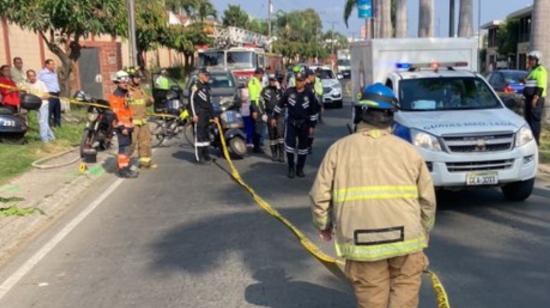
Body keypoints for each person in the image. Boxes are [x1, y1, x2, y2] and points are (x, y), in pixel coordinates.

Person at [310, 83, 437, 308]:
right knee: (404, 296)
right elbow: (427, 200)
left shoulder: (339, 150)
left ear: (361, 112)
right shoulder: (408, 151)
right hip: (406, 241)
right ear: (391, 116)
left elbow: (320, 196)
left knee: (371, 300)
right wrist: (423, 231)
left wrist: (324, 225)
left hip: (362, 243)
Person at [272, 72, 319, 178]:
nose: (299, 83)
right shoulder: (289, 92)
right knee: (290, 147)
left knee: (303, 148)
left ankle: (300, 168)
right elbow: (280, 104)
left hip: (305, 124)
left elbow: (313, 111)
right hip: (291, 123)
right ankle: (291, 168)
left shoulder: (309, 93)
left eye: (301, 81)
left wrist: (312, 126)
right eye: (297, 81)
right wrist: (274, 117)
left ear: (304, 81)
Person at [109, 70, 138, 178]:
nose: (126, 84)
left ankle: (126, 167)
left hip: (128, 126)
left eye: (127, 82)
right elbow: (116, 114)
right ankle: (122, 169)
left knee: (127, 148)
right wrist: (122, 127)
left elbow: (127, 110)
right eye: (123, 82)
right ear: (118, 83)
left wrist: (131, 123)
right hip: (122, 128)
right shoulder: (116, 96)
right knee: (123, 149)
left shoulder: (124, 95)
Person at [127, 67, 156, 169]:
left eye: (140, 78)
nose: (139, 80)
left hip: (143, 121)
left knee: (145, 143)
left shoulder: (141, 90)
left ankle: (145, 164)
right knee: (131, 144)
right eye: (136, 77)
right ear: (131, 78)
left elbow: (145, 102)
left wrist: (150, 100)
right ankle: (124, 165)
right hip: (132, 122)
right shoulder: (127, 91)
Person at [189, 68, 215, 164]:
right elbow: (191, 101)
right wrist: (193, 115)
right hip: (198, 114)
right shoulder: (195, 86)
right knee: (199, 136)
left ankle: (206, 155)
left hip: (206, 115)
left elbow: (209, 103)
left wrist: (213, 116)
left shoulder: (207, 86)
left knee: (206, 135)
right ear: (201, 76)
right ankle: (198, 158)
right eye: (206, 76)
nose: (208, 78)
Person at [24, 69, 55, 142]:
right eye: (30, 76)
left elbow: (47, 95)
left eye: (33, 75)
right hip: (35, 105)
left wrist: (39, 98)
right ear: (28, 77)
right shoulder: (28, 85)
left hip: (43, 104)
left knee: (42, 121)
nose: (32, 77)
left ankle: (44, 139)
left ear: (35, 76)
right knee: (43, 122)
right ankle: (52, 138)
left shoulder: (41, 83)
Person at [523, 50, 547, 144]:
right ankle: (530, 140)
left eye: (532, 59)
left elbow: (541, 86)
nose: (530, 61)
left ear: (537, 60)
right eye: (529, 59)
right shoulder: (533, 70)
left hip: (536, 99)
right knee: (528, 119)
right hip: (529, 99)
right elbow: (530, 82)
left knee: (534, 121)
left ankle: (536, 142)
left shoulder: (541, 70)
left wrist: (535, 98)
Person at [262, 74, 285, 162]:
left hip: (280, 115)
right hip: (270, 115)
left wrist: (279, 89)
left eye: (274, 80)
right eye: (271, 80)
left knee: (280, 134)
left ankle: (282, 155)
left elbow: (284, 99)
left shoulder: (280, 90)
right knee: (272, 136)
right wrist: (263, 113)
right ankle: (274, 154)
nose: (272, 82)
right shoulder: (265, 90)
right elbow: (261, 102)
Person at [38, 59, 61, 127]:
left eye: (54, 64)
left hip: (56, 93)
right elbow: (37, 82)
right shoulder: (42, 73)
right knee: (49, 110)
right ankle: (48, 125)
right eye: (52, 64)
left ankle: (57, 124)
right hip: (49, 94)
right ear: (47, 65)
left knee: (57, 110)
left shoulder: (54, 73)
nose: (53, 66)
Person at [248, 67, 265, 153]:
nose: (262, 76)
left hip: (259, 106)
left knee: (259, 126)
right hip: (256, 107)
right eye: (262, 74)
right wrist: (254, 110)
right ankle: (256, 147)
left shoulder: (257, 81)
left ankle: (257, 145)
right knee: (257, 127)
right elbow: (253, 97)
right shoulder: (254, 82)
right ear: (258, 74)